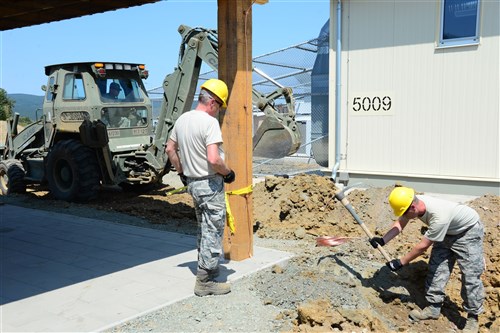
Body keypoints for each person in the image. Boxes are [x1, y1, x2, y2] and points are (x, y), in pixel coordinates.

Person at [370, 186, 484, 333]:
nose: (403, 215)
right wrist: (383, 240)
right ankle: (433, 308)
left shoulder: (439, 216)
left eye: (405, 212)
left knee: (470, 276)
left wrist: (400, 262)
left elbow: (422, 247)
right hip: (446, 232)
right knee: (436, 269)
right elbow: (400, 223)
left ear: (412, 207)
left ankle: (472, 318)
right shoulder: (413, 205)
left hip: (467, 233)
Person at [165, 78, 235, 297]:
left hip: (193, 183)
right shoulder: (209, 122)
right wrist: (228, 172)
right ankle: (205, 282)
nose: (218, 112)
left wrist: (182, 173)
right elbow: (214, 159)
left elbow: (170, 149)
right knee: (213, 229)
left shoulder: (182, 120)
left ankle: (206, 267)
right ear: (213, 102)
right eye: (219, 107)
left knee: (203, 228)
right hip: (209, 183)